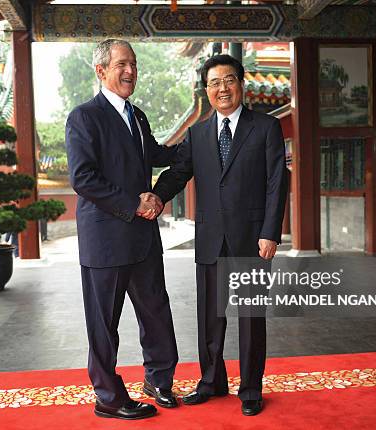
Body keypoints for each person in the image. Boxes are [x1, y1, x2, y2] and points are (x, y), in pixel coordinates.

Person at [151, 54, 288, 416]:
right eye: (214, 83)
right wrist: (156, 196)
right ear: (207, 90)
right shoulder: (197, 134)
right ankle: (211, 380)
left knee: (250, 318)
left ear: (241, 84)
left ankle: (251, 388)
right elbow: (179, 173)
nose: (222, 88)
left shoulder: (265, 128)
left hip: (252, 240)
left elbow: (277, 182)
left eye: (228, 80)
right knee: (210, 316)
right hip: (211, 238)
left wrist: (270, 231)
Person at [65, 39, 179, 420]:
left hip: (143, 238)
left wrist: (203, 141)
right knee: (103, 324)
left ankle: (158, 380)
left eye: (134, 64)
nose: (130, 71)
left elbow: (158, 155)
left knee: (157, 312)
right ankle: (108, 397)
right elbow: (83, 178)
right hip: (106, 240)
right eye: (121, 65)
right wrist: (134, 203)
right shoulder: (84, 117)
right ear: (101, 71)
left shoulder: (138, 116)